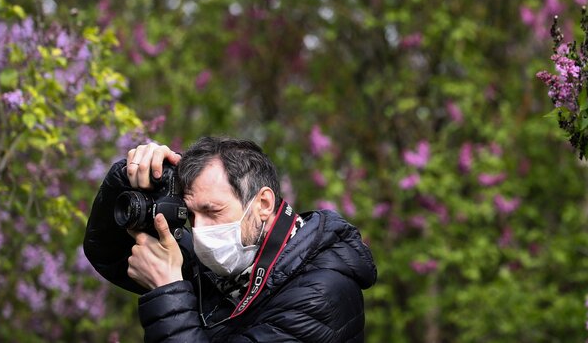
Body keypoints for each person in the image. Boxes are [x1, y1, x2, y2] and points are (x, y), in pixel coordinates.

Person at [84, 137, 377, 342]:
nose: (200, 230)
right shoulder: (231, 264)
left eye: (213, 212)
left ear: (263, 204)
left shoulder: (321, 294)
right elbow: (107, 252)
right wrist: (130, 174)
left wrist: (167, 290)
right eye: (192, 215)